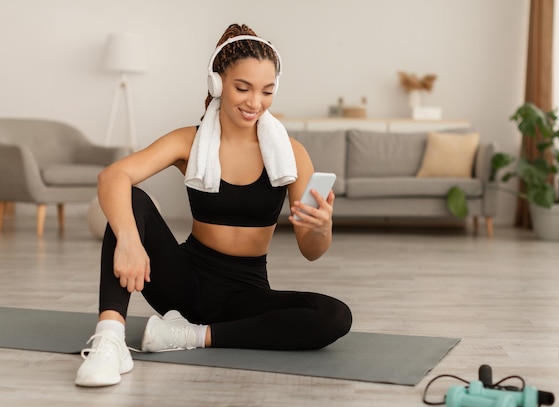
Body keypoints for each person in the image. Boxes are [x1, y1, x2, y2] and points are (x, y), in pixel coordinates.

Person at [75, 23, 352, 387]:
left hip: (246, 294)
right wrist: (128, 239)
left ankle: (189, 336)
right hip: (183, 283)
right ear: (217, 83)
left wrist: (321, 227)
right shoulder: (189, 142)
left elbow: (311, 252)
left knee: (334, 316)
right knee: (131, 199)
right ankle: (109, 342)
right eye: (243, 88)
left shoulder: (291, 155)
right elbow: (113, 176)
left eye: (267, 91)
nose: (255, 102)